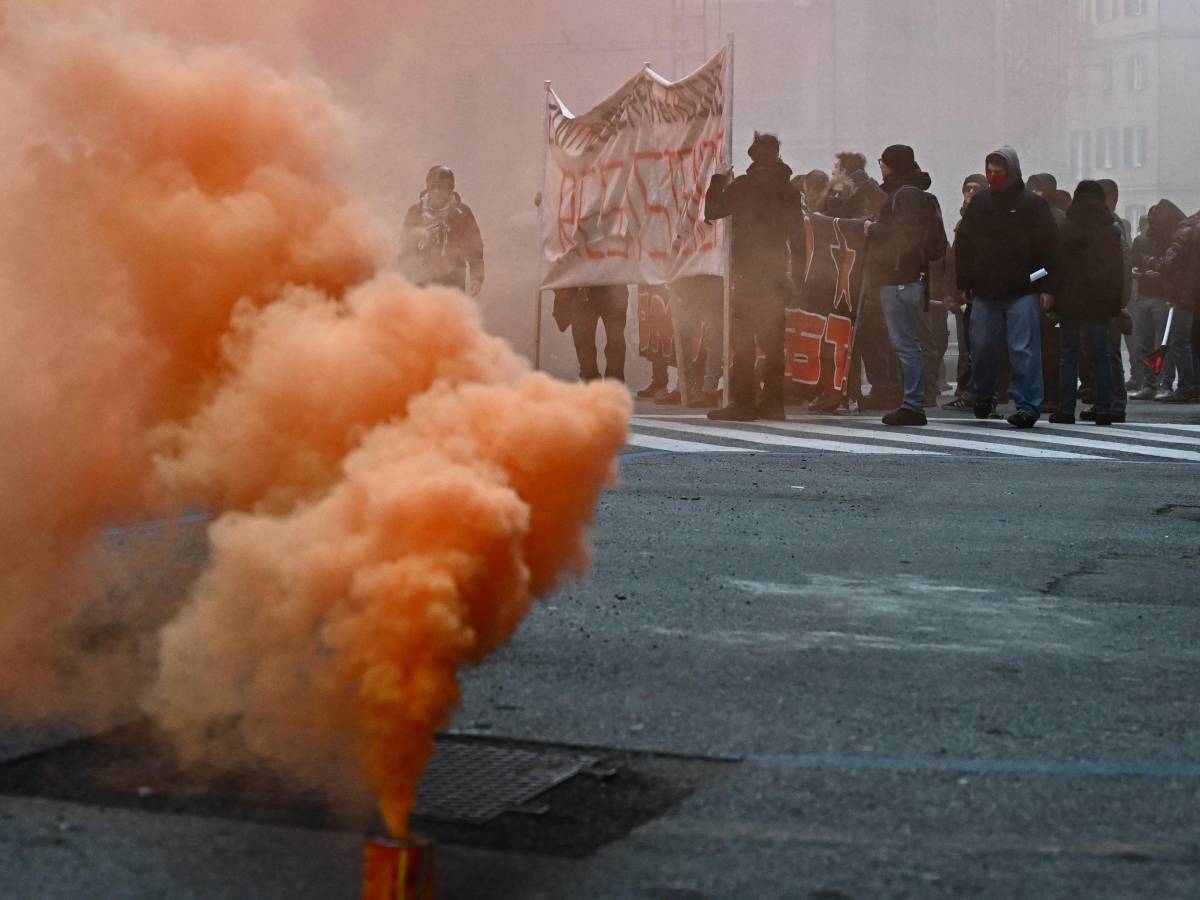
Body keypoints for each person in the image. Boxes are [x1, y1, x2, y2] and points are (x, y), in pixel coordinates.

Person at [954, 146, 1060, 428]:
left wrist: (1044, 285)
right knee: (982, 347)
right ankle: (985, 394)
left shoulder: (1033, 206)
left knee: (1023, 350)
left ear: (1011, 172)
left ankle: (1027, 405)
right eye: (989, 172)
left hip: (1022, 290)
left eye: (998, 172)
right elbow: (964, 245)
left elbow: (1050, 251)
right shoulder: (980, 204)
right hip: (985, 290)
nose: (992, 177)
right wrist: (966, 281)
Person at [703, 132, 805, 421]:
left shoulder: (744, 187)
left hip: (747, 274)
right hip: (775, 275)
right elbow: (798, 238)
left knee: (743, 342)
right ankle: (773, 404)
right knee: (773, 343)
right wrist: (797, 276)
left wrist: (719, 179)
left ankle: (743, 403)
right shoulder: (789, 190)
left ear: (752, 156)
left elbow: (712, 210)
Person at [865, 144, 947, 426]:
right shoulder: (919, 194)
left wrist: (872, 229)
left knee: (906, 344)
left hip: (899, 279)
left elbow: (900, 237)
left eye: (883, 162)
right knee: (919, 341)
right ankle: (920, 397)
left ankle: (913, 403)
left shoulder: (904, 195)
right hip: (915, 279)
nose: (881, 167)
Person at [1048, 181, 1124, 426]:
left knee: (1069, 354)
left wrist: (1054, 296)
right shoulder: (1111, 230)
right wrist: (1116, 302)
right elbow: (1117, 271)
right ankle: (1104, 408)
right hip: (1101, 300)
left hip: (1071, 299)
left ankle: (1066, 408)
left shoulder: (1067, 228)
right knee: (1101, 355)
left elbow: (1057, 267)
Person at [1143, 205, 1200, 403]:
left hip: (1182, 295)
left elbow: (1169, 262)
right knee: (1191, 343)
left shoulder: (1184, 232)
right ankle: (1193, 386)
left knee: (1179, 342)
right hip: (1193, 294)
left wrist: (1149, 261)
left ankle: (1186, 387)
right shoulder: (1194, 231)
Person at [1130, 200, 1186, 400]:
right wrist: (1144, 273)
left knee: (1162, 344)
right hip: (1147, 294)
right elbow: (1134, 262)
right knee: (1146, 343)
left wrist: (1150, 270)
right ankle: (1151, 383)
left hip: (1162, 297)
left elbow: (1172, 267)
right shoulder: (1143, 241)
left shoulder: (1171, 240)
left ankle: (1163, 383)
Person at [401, 165, 484, 295]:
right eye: (434, 188)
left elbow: (474, 248)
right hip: (422, 281)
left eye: (443, 188)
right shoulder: (415, 212)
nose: (438, 192)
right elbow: (406, 248)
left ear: (451, 191)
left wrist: (477, 278)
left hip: (453, 281)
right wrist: (407, 276)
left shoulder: (461, 213)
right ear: (428, 189)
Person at [1026, 173, 1065, 413]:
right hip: (1033, 286)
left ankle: (1050, 394)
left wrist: (1048, 288)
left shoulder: (1055, 218)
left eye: (1039, 189)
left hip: (1047, 290)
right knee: (1035, 346)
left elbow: (1055, 261)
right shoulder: (1033, 215)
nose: (1034, 192)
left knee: (1049, 347)